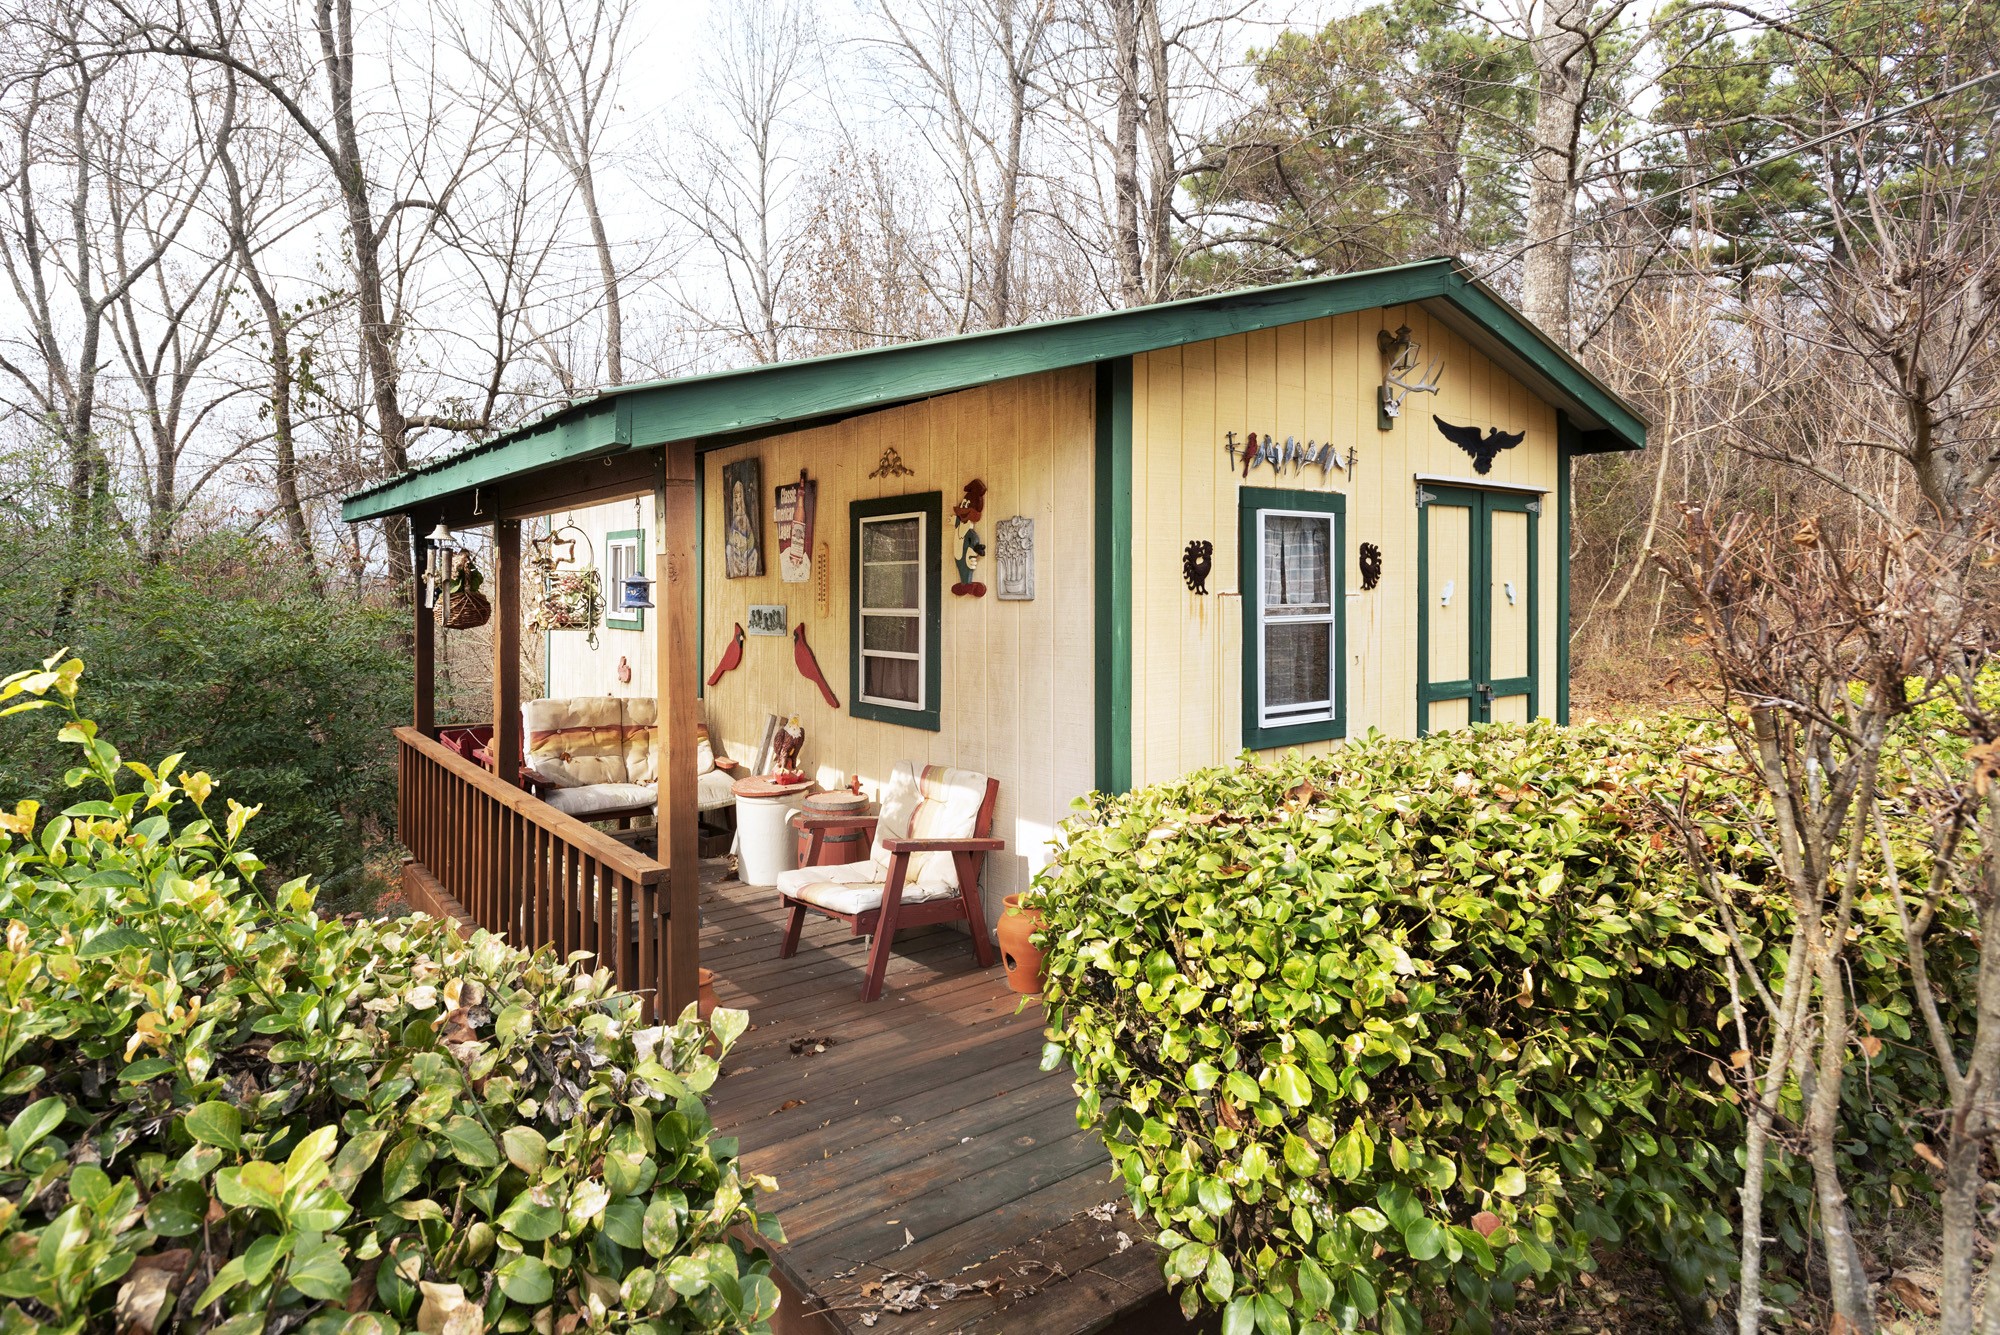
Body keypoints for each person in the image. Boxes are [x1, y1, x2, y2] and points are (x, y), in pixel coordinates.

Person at [726, 478, 761, 577]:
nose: (738, 500)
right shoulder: (735, 516)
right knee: (729, 549)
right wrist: (735, 543)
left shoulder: (745, 516)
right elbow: (731, 538)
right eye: (736, 497)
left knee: (753, 554)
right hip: (737, 550)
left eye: (740, 496)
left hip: (746, 550)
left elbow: (750, 537)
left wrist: (745, 545)